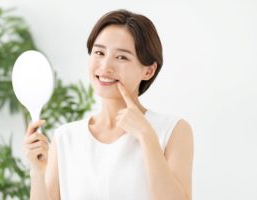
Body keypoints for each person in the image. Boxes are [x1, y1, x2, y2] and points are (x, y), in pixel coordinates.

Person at [23, 9, 194, 200]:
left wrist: (146, 136)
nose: (105, 67)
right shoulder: (66, 137)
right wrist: (37, 174)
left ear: (149, 70)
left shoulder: (173, 130)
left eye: (121, 57)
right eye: (99, 52)